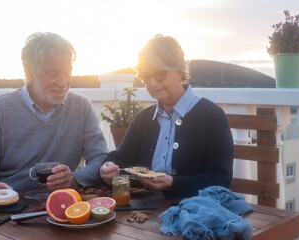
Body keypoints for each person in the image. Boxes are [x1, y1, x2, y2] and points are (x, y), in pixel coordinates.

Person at [0, 32, 108, 208]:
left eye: (67, 72)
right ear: (28, 72)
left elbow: (100, 158)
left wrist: (75, 180)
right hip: (9, 211)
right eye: (52, 73)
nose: (63, 82)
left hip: (62, 208)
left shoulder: (81, 106)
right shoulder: (0, 108)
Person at [100, 34, 234, 198]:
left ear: (180, 71)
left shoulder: (211, 117)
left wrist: (173, 184)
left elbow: (220, 179)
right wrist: (108, 166)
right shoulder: (143, 119)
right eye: (145, 76)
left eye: (160, 73)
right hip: (145, 212)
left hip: (193, 212)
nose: (153, 82)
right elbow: (121, 158)